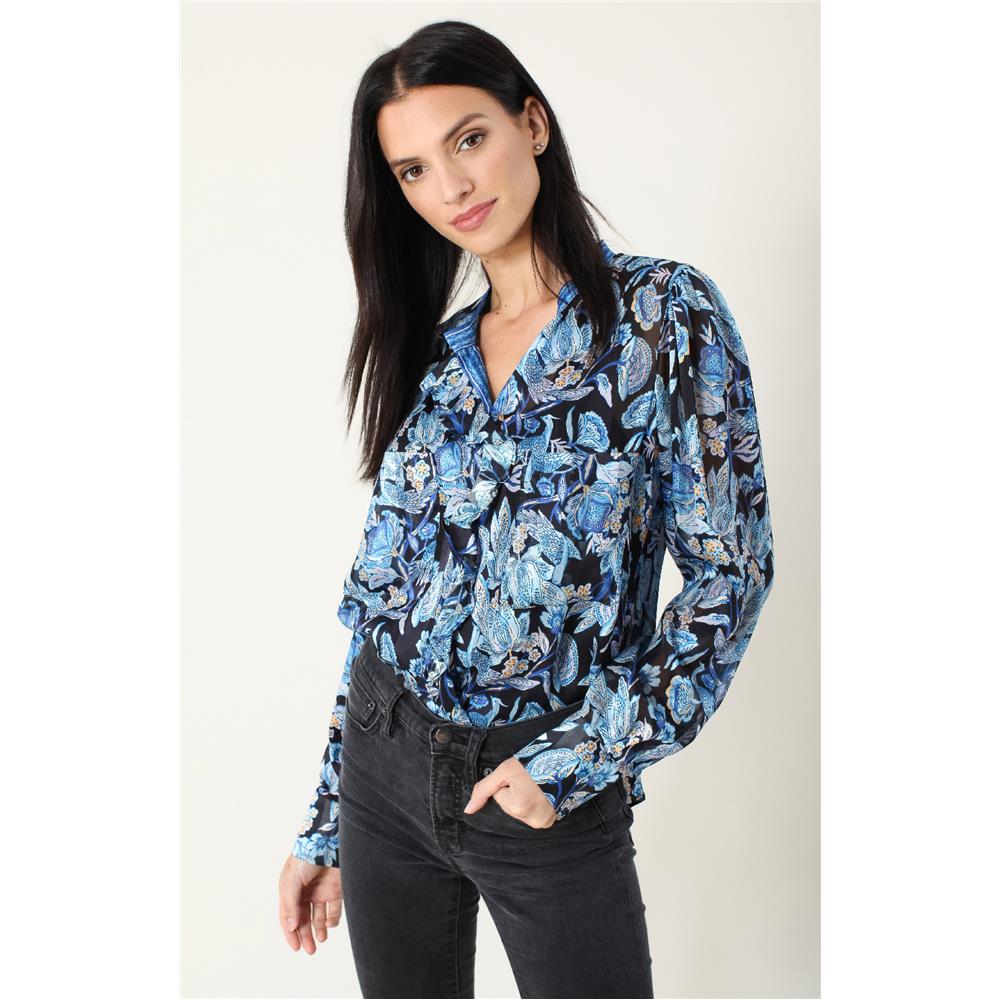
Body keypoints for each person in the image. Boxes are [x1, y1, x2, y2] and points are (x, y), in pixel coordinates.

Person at [277, 19, 776, 1000]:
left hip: (544, 780)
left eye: (468, 139)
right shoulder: (436, 358)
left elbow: (731, 574)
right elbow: (388, 601)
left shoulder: (663, 318)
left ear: (532, 124)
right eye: (413, 170)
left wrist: (579, 758)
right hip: (383, 772)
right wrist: (328, 821)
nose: (451, 186)